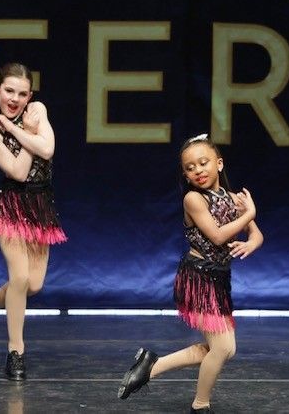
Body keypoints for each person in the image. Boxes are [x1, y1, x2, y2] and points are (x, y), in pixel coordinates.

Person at [117, 133, 264, 413]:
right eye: (189, 167)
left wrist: (251, 238)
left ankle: (150, 365)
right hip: (198, 278)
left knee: (226, 350)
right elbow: (218, 236)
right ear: (185, 175)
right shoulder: (193, 200)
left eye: (203, 162)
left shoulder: (232, 199)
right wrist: (248, 214)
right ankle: (200, 404)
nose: (197, 170)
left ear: (219, 164)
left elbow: (257, 235)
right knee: (221, 349)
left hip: (219, 280)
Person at [0, 62, 67, 381]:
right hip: (11, 206)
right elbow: (20, 171)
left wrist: (17, 128)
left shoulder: (37, 109)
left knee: (34, 285)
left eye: (22, 93)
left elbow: (47, 149)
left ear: (30, 96)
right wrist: (21, 130)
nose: (14, 99)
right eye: (8, 91)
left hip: (41, 207)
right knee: (20, 277)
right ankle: (16, 352)